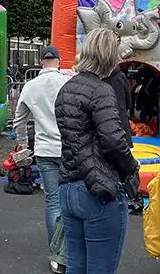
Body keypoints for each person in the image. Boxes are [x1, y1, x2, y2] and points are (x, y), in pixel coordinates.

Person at [55, 28, 140, 274]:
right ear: (109, 57)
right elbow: (114, 140)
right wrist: (131, 168)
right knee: (100, 269)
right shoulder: (102, 90)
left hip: (69, 185)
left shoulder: (66, 89)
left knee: (76, 266)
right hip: (98, 190)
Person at [13, 45, 68, 272]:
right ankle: (67, 249)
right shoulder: (67, 82)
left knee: (52, 201)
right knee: (70, 199)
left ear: (40, 62)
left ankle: (54, 253)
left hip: (45, 149)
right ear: (58, 60)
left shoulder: (30, 86)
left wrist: (23, 142)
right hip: (68, 148)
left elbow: (19, 119)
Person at [104, 64, 134, 148]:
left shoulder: (101, 77)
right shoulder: (120, 75)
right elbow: (127, 94)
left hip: (106, 111)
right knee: (125, 139)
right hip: (120, 110)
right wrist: (128, 106)